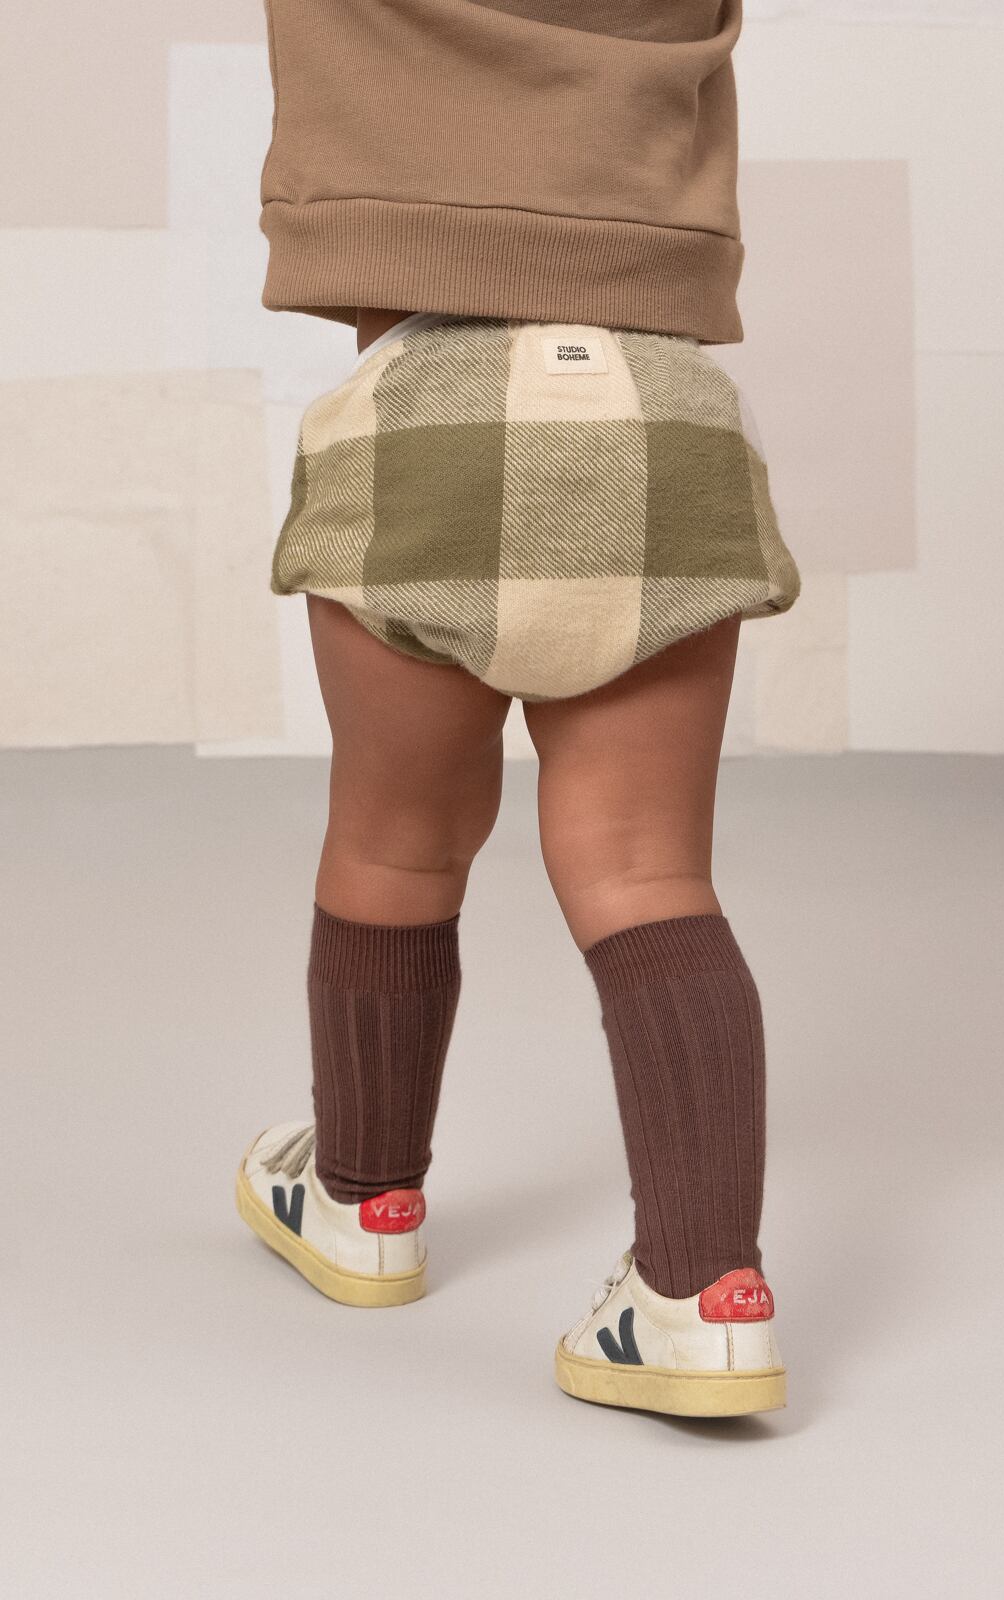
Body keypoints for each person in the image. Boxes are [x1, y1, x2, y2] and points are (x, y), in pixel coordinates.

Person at [235, 0, 800, 1419]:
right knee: (649, 871)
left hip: (421, 408)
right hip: (666, 415)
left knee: (397, 841)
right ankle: (707, 1298)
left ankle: (363, 1202)